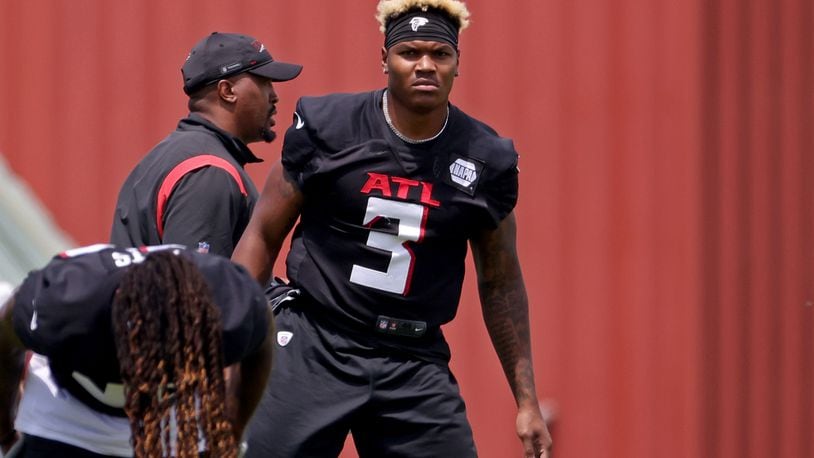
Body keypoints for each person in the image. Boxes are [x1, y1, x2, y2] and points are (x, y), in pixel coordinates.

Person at [231, 0, 553, 457]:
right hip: (319, 342)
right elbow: (262, 235)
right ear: (384, 59)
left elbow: (500, 282)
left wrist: (527, 402)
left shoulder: (487, 159)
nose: (426, 65)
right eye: (410, 52)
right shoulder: (330, 127)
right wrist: (231, 340)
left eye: (440, 54)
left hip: (413, 357)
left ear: (457, 64)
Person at [0, 245, 273, 457]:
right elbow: (5, 335)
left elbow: (261, 337)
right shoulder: (63, 302)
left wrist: (230, 432)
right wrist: (4, 425)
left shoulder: (225, 305)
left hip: (168, 418)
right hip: (68, 415)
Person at [110, 31, 302, 257]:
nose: (274, 96)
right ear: (227, 91)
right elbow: (195, 287)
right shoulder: (209, 171)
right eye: (264, 82)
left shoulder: (177, 153)